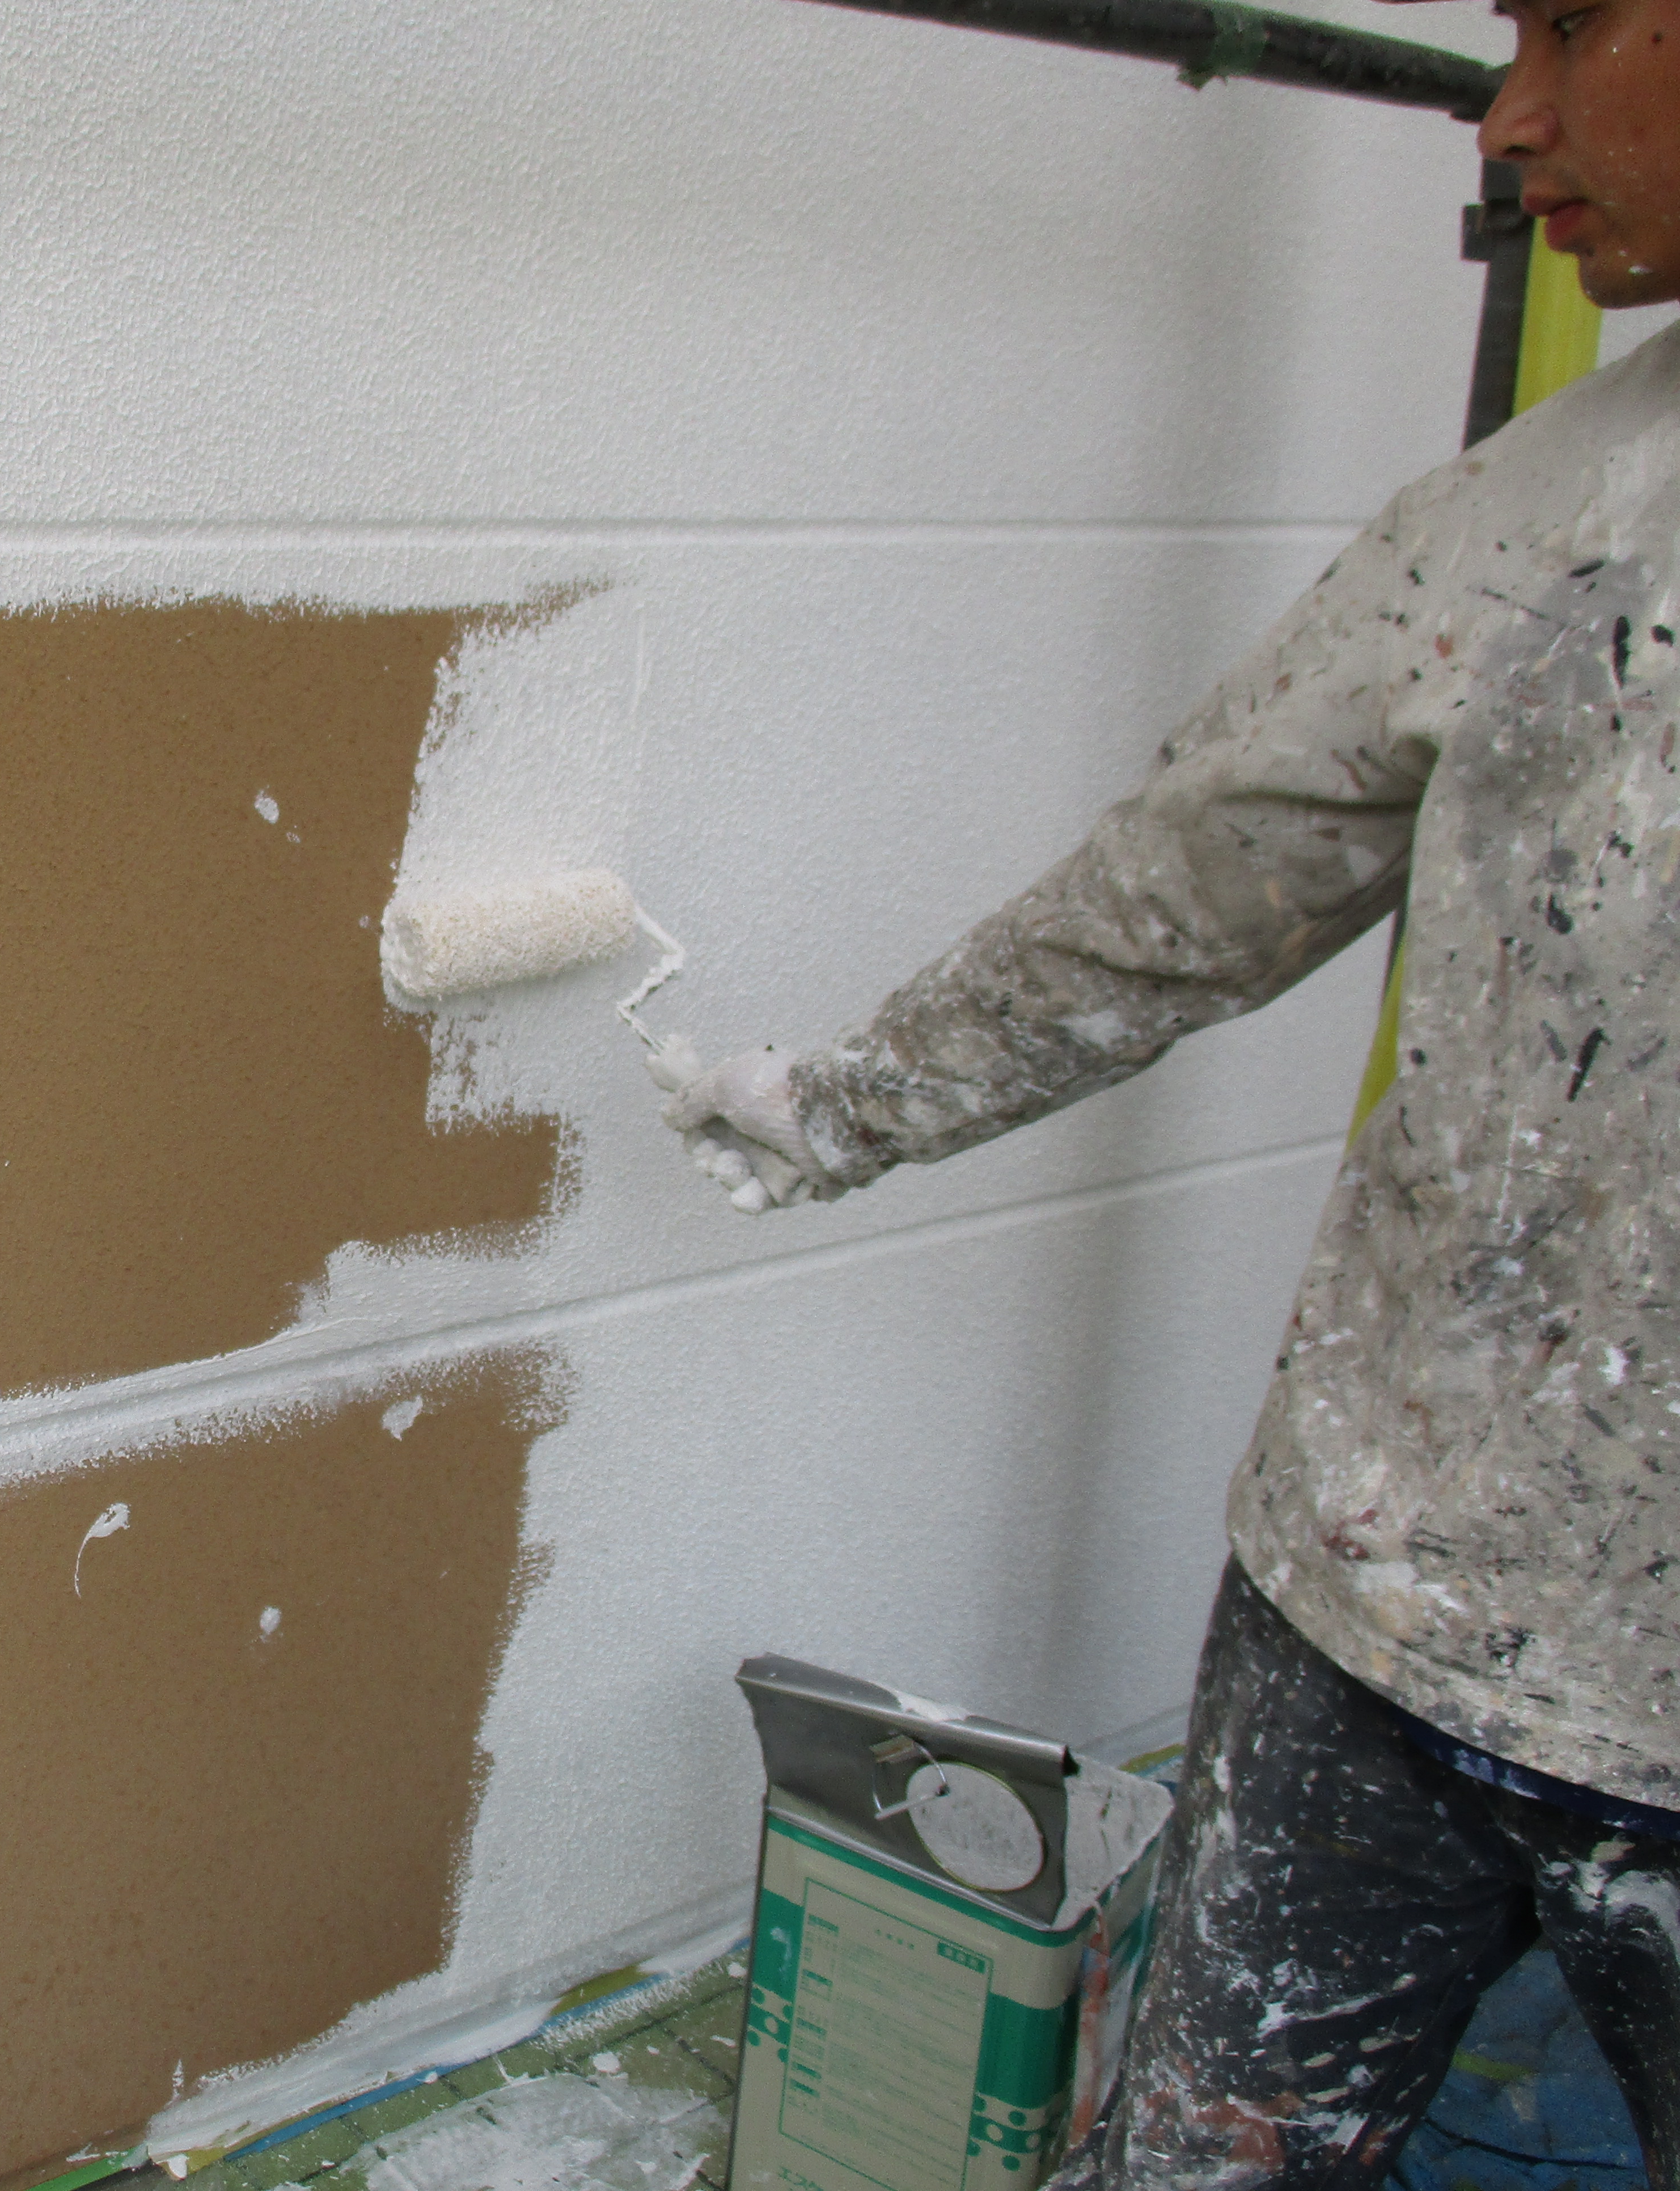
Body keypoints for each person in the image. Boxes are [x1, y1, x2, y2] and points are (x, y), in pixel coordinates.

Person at [660, 2, 1680, 2181]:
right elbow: (1186, 891)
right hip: (1369, 1604)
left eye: (1580, 26)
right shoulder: (1545, 515)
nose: (1507, 120)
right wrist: (846, 1106)